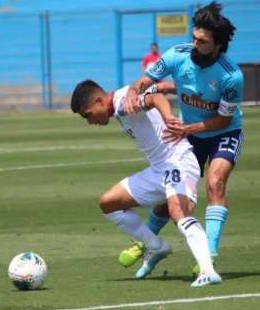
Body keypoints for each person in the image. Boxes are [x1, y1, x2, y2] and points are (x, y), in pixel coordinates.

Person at [118, 1, 245, 277]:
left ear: (218, 44)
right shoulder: (177, 55)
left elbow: (223, 119)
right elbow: (142, 83)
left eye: (203, 41)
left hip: (224, 132)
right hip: (190, 135)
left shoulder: (231, 76)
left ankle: (208, 254)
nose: (195, 44)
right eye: (194, 37)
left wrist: (187, 128)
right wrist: (131, 93)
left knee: (215, 182)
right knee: (173, 195)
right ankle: (147, 244)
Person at [70, 78, 222, 287]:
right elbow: (161, 88)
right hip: (157, 170)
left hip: (177, 162)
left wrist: (169, 119)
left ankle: (208, 270)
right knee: (108, 203)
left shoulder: (124, 102)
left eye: (88, 115)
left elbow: (156, 99)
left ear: (99, 100)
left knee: (178, 212)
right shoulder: (122, 99)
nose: (90, 122)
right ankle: (154, 245)